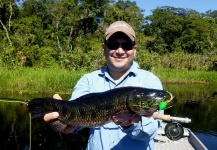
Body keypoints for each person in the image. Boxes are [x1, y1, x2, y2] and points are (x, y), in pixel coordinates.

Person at [44, 21, 163, 150]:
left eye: (127, 45)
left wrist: (129, 125)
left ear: (134, 50)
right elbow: (76, 123)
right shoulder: (88, 80)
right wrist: (61, 124)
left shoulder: (150, 82)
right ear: (104, 48)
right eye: (113, 44)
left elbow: (149, 132)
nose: (120, 51)